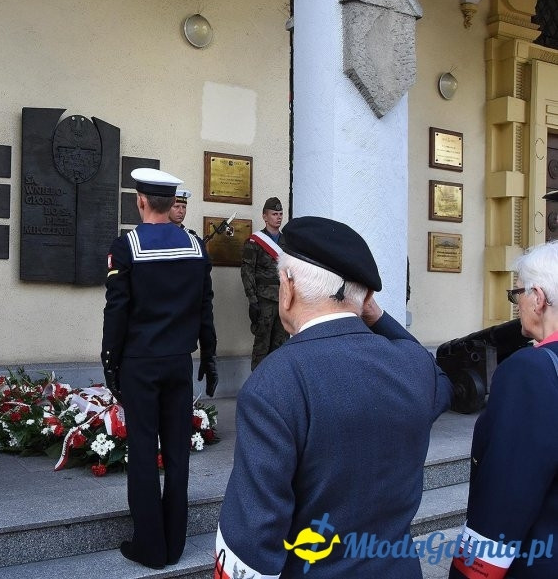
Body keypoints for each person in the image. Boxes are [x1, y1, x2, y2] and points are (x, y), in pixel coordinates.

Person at [215, 216, 452, 579]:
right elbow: (429, 367)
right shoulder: (413, 368)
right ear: (367, 298)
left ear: (287, 287)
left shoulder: (275, 383)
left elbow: (251, 543)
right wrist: (378, 316)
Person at [101, 168, 218, 570]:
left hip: (140, 363)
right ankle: (176, 541)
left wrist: (109, 359)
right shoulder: (194, 245)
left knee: (144, 451)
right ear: (171, 204)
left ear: (140, 201)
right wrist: (211, 356)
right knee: (177, 453)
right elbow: (205, 306)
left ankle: (150, 546)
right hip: (179, 363)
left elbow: (117, 309)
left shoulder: (128, 245)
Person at [449, 240, 558, 579]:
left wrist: (471, 574)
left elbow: (504, 501)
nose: (518, 304)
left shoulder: (531, 371)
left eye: (519, 294)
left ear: (538, 298)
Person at [241, 196, 288, 370]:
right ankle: (258, 387)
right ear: (265, 216)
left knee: (281, 345)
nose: (278, 217)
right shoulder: (255, 242)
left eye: (281, 213)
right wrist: (252, 300)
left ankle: (278, 385)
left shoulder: (287, 243)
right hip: (264, 301)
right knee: (262, 345)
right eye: (274, 213)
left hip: (283, 301)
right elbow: (247, 272)